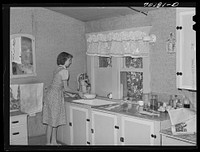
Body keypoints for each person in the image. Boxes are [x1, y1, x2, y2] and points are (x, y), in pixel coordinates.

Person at [42, 52, 83, 145]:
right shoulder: (65, 71)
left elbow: (58, 86)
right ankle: (48, 144)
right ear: (64, 60)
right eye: (69, 60)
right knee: (53, 120)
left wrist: (70, 95)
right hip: (55, 96)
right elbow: (66, 88)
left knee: (52, 120)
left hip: (50, 94)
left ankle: (53, 142)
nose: (70, 62)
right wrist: (78, 92)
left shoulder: (57, 69)